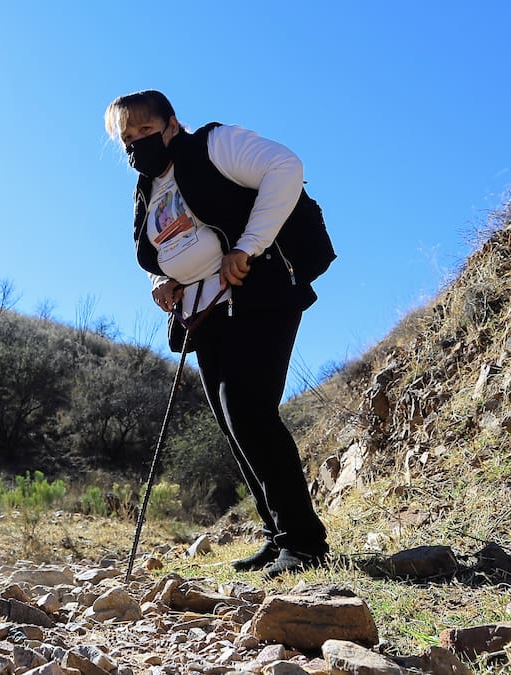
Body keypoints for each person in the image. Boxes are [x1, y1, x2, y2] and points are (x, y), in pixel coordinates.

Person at [104, 90, 336, 578]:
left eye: (145, 131)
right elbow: (158, 250)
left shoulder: (213, 144)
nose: (135, 144)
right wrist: (160, 281)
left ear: (171, 124)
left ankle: (305, 541)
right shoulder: (148, 189)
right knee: (235, 423)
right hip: (203, 313)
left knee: (250, 410)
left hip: (258, 291)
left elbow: (285, 168)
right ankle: (279, 537)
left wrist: (247, 247)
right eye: (126, 138)